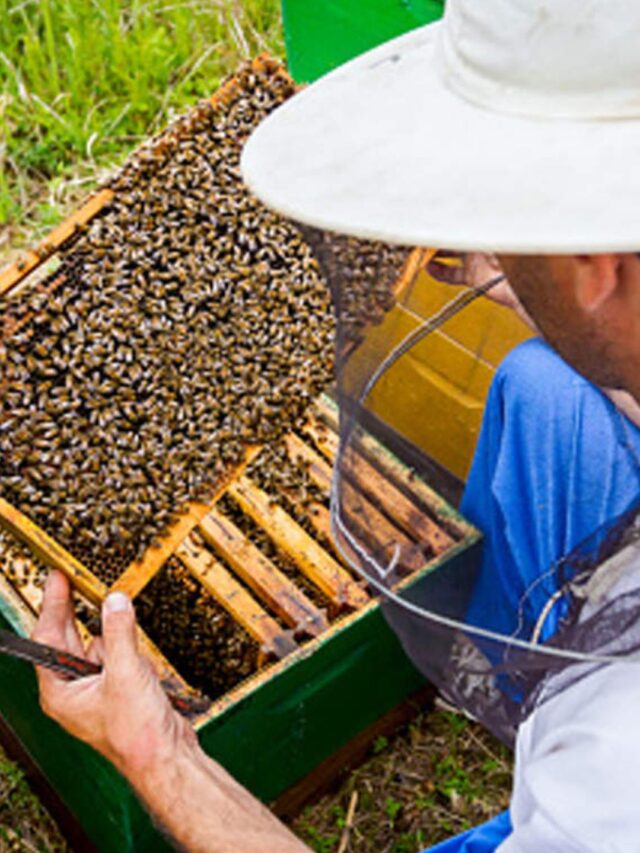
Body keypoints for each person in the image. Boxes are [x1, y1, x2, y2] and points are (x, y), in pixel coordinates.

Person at [33, 0, 640, 849]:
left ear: (594, 266)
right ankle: (509, 670)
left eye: (513, 218)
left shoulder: (618, 764)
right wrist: (531, 275)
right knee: (544, 388)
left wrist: (160, 751)